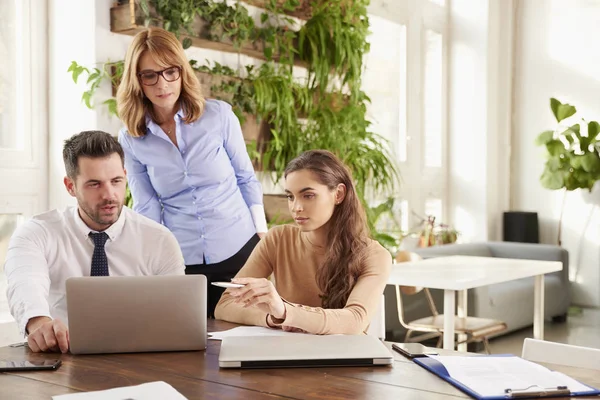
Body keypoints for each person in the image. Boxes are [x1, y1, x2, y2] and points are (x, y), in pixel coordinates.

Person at [116, 27, 267, 318]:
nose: (163, 84)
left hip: (240, 248)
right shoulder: (131, 139)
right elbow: (146, 204)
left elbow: (245, 177)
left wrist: (263, 236)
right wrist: (149, 258)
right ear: (137, 81)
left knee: (245, 337)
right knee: (189, 343)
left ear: (182, 71)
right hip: (182, 259)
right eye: (150, 75)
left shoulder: (219, 116)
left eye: (170, 71)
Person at [4, 131, 185, 353]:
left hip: (140, 357)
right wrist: (39, 323)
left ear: (125, 176)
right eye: (94, 184)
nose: (109, 195)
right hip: (61, 356)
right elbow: (25, 282)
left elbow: (176, 315)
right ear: (70, 186)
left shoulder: (159, 240)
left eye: (116, 181)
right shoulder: (37, 233)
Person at [214, 150, 392, 334]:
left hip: (343, 359)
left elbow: (355, 321)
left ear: (338, 194)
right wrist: (272, 317)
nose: (296, 207)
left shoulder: (374, 255)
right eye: (290, 196)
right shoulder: (277, 239)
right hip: (286, 355)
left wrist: (284, 311)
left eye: (308, 196)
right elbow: (225, 305)